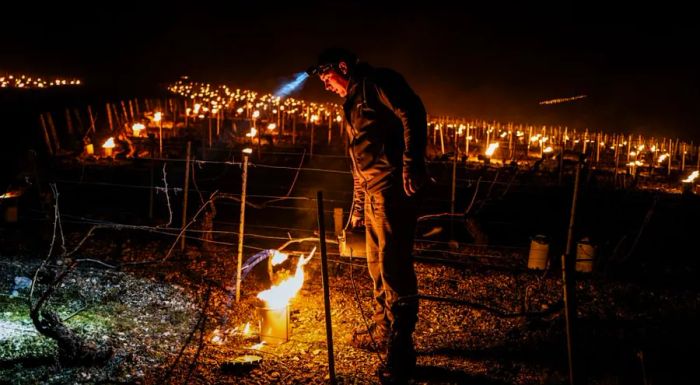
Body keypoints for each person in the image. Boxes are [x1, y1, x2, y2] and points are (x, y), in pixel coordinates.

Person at [308, 48, 428, 384]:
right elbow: (359, 162)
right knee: (376, 264)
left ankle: (401, 349)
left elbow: (412, 111)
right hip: (374, 193)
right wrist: (358, 207)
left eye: (327, 77)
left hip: (393, 189)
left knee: (394, 266)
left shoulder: (377, 82)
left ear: (342, 67)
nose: (325, 85)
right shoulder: (351, 102)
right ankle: (383, 328)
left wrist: (412, 162)